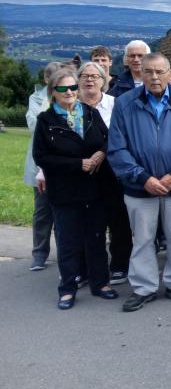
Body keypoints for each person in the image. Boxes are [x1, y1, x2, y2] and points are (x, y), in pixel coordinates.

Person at [108, 52, 171, 312]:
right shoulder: (125, 103)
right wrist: (143, 177)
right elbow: (117, 148)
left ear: (169, 73)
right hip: (139, 186)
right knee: (142, 238)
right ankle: (144, 287)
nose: (154, 77)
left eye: (160, 71)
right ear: (140, 73)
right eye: (148, 71)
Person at [33, 68, 117, 309]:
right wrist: (78, 164)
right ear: (53, 92)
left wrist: (101, 153)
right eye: (63, 88)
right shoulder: (46, 120)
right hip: (65, 191)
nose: (69, 92)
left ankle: (101, 284)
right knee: (68, 241)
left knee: (96, 238)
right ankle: (68, 288)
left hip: (95, 188)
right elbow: (41, 156)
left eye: (72, 87)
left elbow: (109, 138)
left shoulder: (90, 113)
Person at [77, 61, 131, 284]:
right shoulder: (70, 105)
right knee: (85, 223)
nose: (89, 80)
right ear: (78, 80)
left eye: (94, 76)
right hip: (80, 172)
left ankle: (119, 265)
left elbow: (123, 134)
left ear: (103, 81)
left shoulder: (116, 104)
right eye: (85, 76)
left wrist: (102, 153)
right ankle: (85, 268)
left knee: (118, 220)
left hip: (113, 172)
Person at [24, 62, 61, 271]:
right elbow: (33, 124)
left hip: (64, 163)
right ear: (47, 79)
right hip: (41, 164)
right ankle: (39, 254)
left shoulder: (71, 97)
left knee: (63, 211)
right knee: (42, 211)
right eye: (53, 78)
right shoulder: (36, 99)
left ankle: (65, 252)